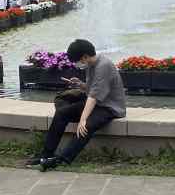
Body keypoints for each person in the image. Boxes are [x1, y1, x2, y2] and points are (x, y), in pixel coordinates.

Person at [35, 39, 126, 170]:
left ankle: (62, 159)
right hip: (97, 103)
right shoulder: (91, 65)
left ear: (85, 57)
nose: (78, 64)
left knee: (87, 125)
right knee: (62, 113)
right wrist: (80, 84)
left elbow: (94, 96)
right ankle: (46, 154)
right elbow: (91, 89)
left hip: (110, 107)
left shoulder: (103, 65)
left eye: (78, 61)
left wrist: (83, 119)